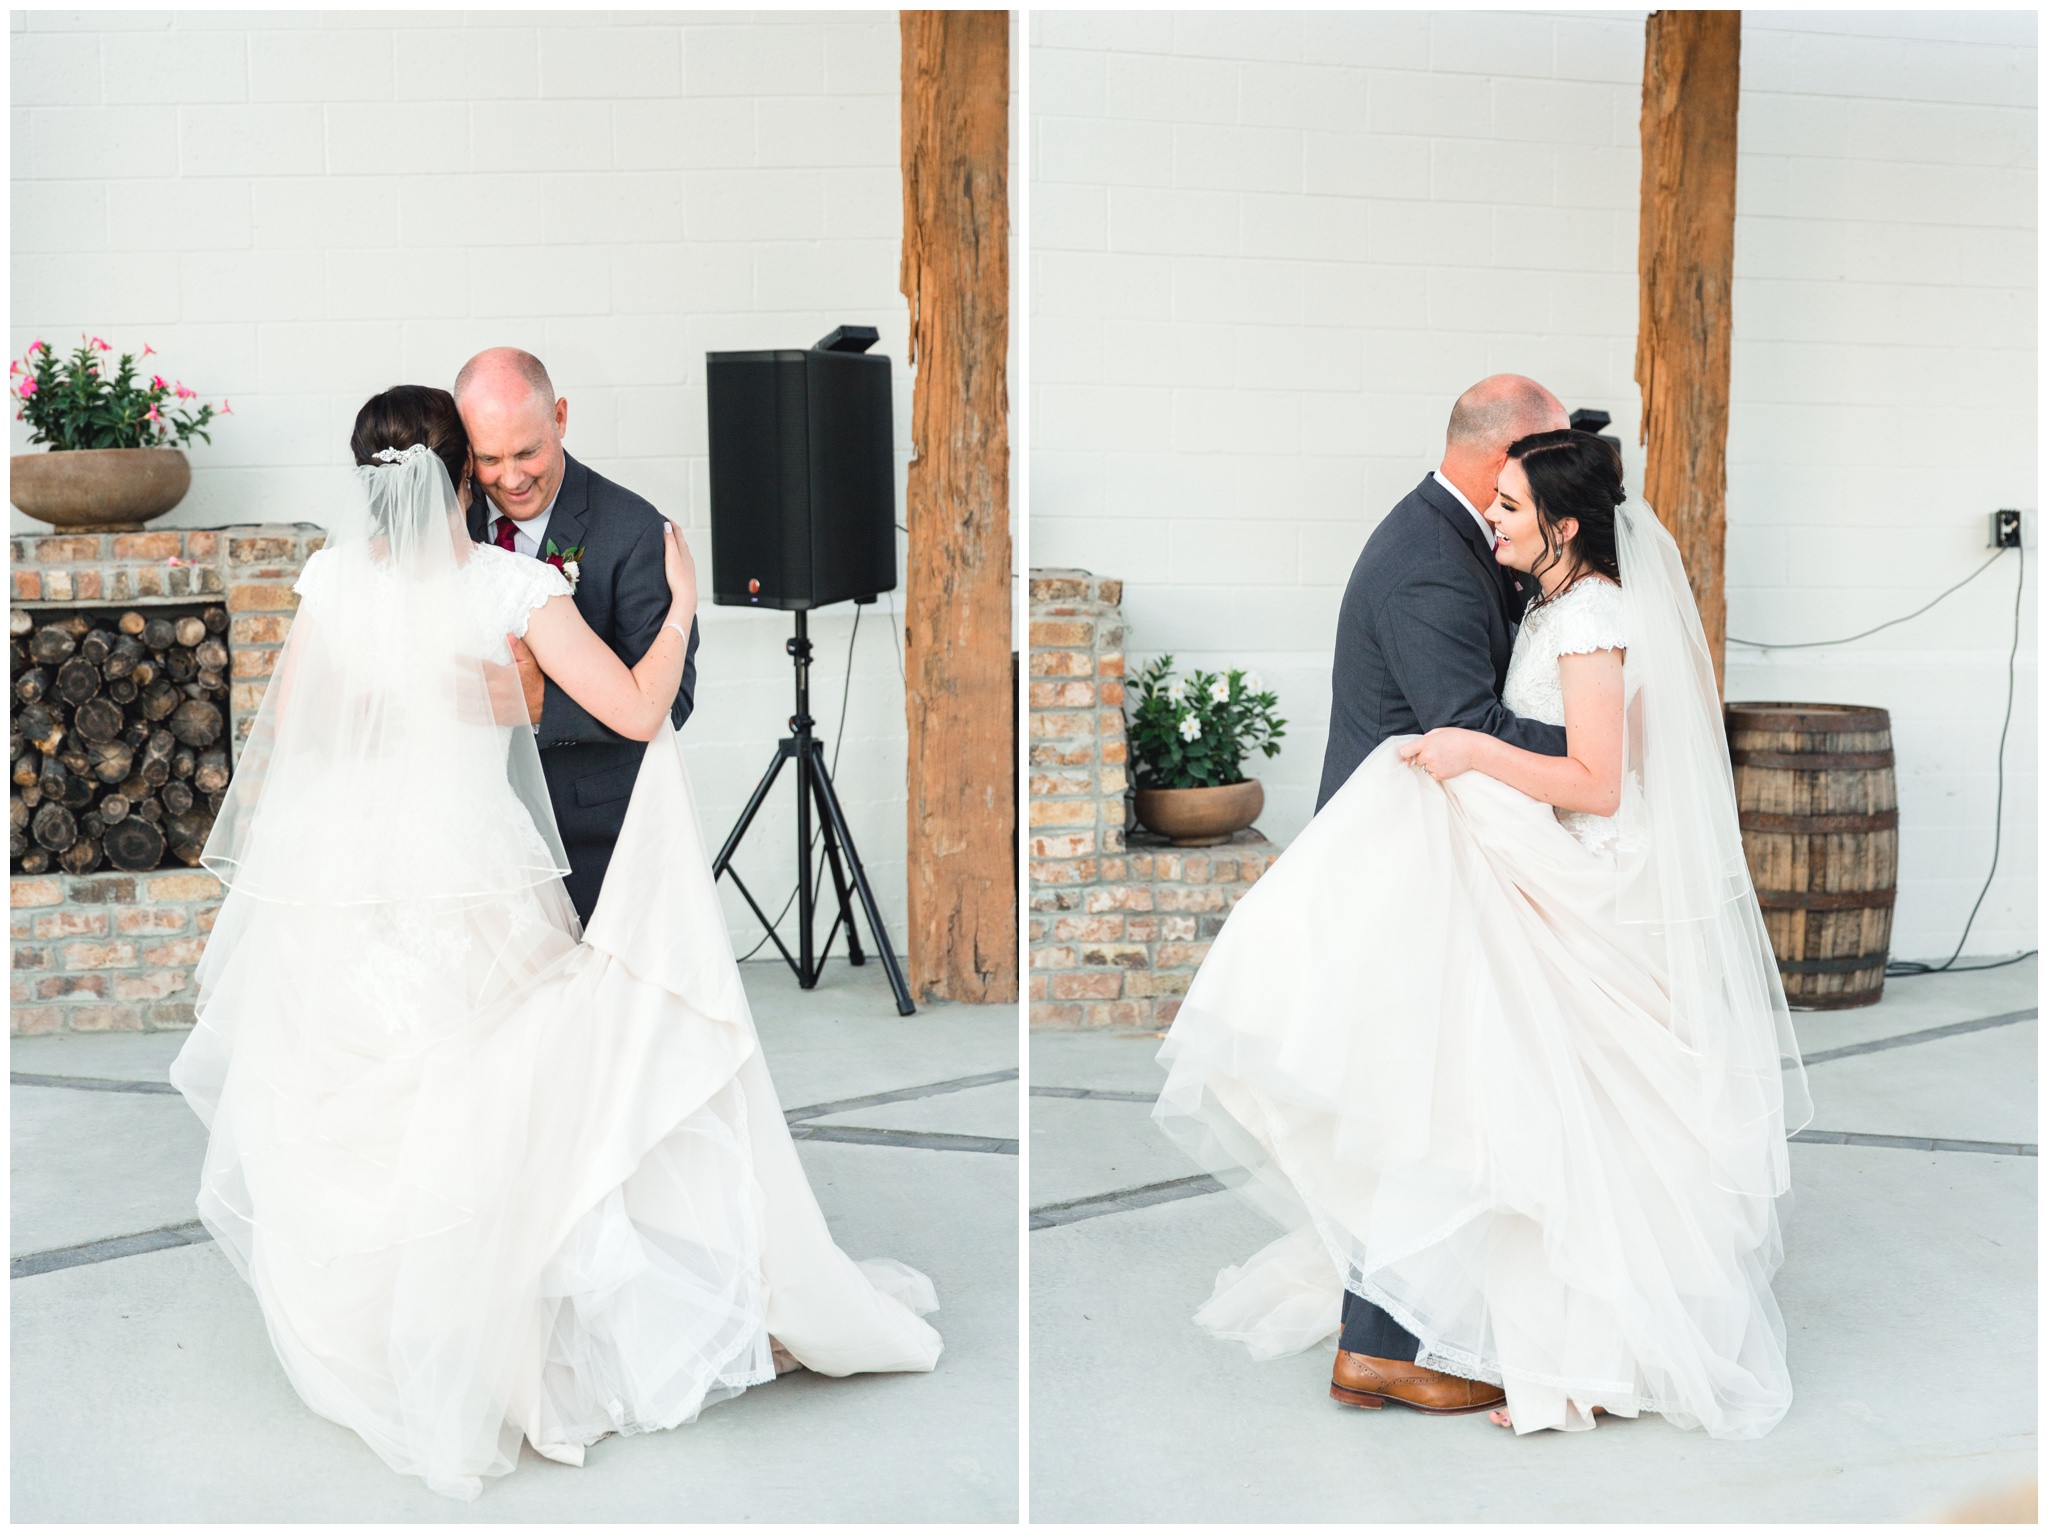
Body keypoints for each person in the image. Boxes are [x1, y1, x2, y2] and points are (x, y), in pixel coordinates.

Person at [168, 387, 941, 1501]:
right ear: (464, 477)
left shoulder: (332, 581)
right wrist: (676, 612)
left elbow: (293, 728)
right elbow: (634, 710)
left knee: (369, 1099)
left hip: (348, 881)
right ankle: (517, 1331)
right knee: (514, 1103)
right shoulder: (510, 588)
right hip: (473, 874)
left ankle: (401, 1333)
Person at [1154, 428, 1812, 1438]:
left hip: (1582, 873)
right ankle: (1469, 1326)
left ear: (1560, 524)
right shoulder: (1551, 601)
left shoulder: (1591, 615)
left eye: (1507, 507)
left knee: (1565, 1104)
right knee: (1502, 1088)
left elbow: (1595, 783)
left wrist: (1467, 747)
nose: (1489, 520)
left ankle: (1583, 1342)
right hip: (1533, 850)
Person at [453, 347, 699, 925]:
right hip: (470, 830)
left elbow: (675, 700)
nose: (511, 479)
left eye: (528, 452)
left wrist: (542, 705)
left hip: (589, 831)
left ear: (559, 418)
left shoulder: (634, 531)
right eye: (489, 458)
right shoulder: (446, 521)